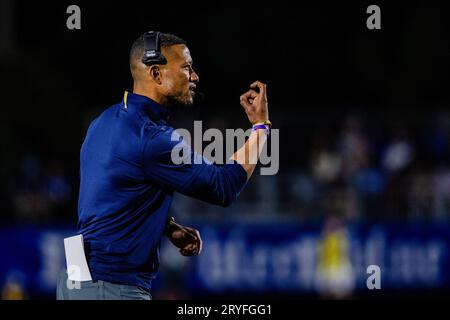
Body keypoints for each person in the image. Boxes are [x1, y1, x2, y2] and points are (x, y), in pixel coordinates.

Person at [56, 31, 271, 300]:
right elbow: (223, 186)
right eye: (186, 67)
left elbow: (110, 194)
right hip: (110, 285)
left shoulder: (103, 121)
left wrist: (164, 224)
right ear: (156, 74)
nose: (194, 77)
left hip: (74, 278)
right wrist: (260, 127)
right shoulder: (151, 136)